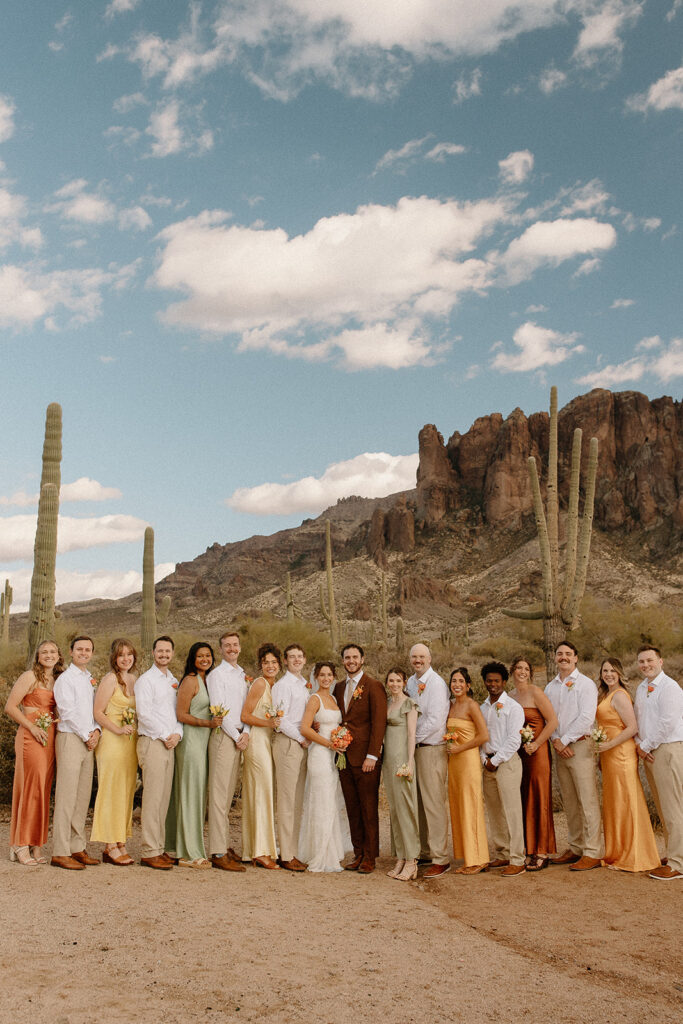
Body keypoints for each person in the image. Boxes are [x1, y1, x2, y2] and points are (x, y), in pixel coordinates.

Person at [596, 657, 660, 873]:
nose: (608, 674)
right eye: (605, 670)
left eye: (612, 670)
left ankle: (634, 855)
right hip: (609, 754)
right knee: (616, 802)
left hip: (621, 754)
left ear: (620, 673)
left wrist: (610, 745)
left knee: (627, 800)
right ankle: (618, 851)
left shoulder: (620, 695)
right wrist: (600, 753)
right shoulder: (605, 694)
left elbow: (632, 728)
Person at [545, 640, 603, 871]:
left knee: (587, 799)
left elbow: (586, 718)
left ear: (576, 657)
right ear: (555, 657)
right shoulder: (550, 687)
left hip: (580, 746)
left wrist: (565, 740)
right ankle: (576, 846)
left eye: (568, 654)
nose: (564, 657)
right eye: (559, 654)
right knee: (570, 799)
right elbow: (549, 719)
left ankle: (593, 851)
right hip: (560, 748)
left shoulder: (586, 684)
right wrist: (556, 741)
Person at [5, 640, 64, 865]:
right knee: (30, 787)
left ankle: (36, 843)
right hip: (31, 735)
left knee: (43, 788)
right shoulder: (29, 676)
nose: (49, 655)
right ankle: (19, 844)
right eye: (44, 652)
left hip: (49, 736)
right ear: (38, 656)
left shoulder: (57, 679)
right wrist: (31, 726)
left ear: (59, 655)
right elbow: (10, 707)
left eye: (53, 651)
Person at [165, 642, 222, 869]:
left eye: (208, 655)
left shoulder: (208, 680)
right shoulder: (190, 680)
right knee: (190, 793)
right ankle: (189, 853)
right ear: (193, 658)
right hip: (190, 742)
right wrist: (206, 723)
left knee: (192, 793)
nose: (205, 659)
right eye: (200, 656)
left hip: (203, 742)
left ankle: (173, 847)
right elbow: (181, 714)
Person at [333, 643, 387, 874]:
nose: (351, 661)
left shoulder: (373, 686)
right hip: (344, 757)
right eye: (347, 657)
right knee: (352, 808)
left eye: (355, 657)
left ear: (362, 659)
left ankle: (370, 856)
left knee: (368, 808)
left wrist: (372, 755)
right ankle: (357, 853)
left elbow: (379, 723)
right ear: (343, 661)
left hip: (366, 758)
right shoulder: (339, 687)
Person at [51, 635, 101, 870]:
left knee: (82, 798)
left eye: (88, 650)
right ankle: (60, 851)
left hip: (88, 740)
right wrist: (87, 735)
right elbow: (67, 711)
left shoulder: (89, 678)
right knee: (66, 796)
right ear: (71, 652)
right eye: (79, 649)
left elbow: (94, 711)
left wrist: (97, 731)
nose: (84, 653)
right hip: (72, 738)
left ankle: (76, 847)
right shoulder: (65, 679)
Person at [634, 645, 683, 881]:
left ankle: (678, 863)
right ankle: (673, 853)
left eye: (650, 660)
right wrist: (639, 743)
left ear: (660, 661)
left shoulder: (670, 687)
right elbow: (639, 720)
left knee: (674, 807)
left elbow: (667, 723)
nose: (645, 665)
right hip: (649, 751)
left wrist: (644, 746)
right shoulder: (641, 688)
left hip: (666, 749)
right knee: (664, 807)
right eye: (641, 661)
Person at [298, 662, 352, 872]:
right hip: (320, 755)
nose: (326, 678)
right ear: (316, 677)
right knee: (321, 801)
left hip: (334, 756)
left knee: (331, 801)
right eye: (322, 675)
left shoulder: (334, 699)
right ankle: (320, 852)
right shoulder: (315, 698)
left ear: (334, 677)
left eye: (329, 675)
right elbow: (305, 727)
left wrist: (341, 740)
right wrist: (329, 743)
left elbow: (337, 725)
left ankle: (332, 849)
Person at [135, 635, 182, 870]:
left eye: (167, 651)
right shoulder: (146, 680)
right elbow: (143, 714)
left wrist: (177, 734)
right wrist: (166, 735)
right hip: (153, 742)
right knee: (152, 798)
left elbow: (178, 712)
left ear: (172, 653)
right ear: (153, 653)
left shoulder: (173, 680)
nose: (164, 654)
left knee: (164, 798)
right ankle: (148, 850)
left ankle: (159, 847)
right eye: (160, 651)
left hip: (170, 742)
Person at [90, 638, 139, 865]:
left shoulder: (134, 679)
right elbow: (98, 712)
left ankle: (121, 841)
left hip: (130, 743)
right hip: (112, 740)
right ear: (114, 658)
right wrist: (118, 729)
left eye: (129, 654)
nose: (126, 658)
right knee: (110, 790)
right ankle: (109, 844)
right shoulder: (110, 680)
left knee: (126, 791)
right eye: (121, 655)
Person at [509, 656, 558, 870]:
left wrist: (537, 744)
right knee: (523, 797)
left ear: (530, 672)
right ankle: (528, 848)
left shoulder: (536, 692)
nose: (522, 671)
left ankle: (542, 851)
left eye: (526, 668)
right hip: (519, 754)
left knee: (538, 796)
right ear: (512, 671)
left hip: (537, 753)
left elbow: (553, 721)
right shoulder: (509, 696)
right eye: (518, 668)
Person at [206, 631, 249, 871]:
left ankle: (223, 845)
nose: (232, 648)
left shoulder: (242, 674)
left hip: (239, 737)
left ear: (240, 647)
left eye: (235, 644)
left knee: (229, 793)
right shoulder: (217, 675)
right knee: (219, 796)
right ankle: (218, 851)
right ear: (221, 649)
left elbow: (246, 707)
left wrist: (246, 734)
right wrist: (237, 736)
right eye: (227, 645)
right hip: (224, 737)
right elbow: (218, 711)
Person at [406, 643, 450, 877]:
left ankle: (441, 858)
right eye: (414, 657)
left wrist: (411, 740)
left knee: (433, 803)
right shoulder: (410, 683)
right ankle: (425, 851)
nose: (418, 660)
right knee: (419, 802)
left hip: (432, 748)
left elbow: (435, 719)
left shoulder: (437, 683)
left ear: (430, 659)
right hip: (417, 749)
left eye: (422, 656)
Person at [480, 661, 526, 876]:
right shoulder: (482, 707)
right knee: (495, 810)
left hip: (506, 763)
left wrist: (495, 760)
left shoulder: (513, 707)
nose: (492, 685)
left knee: (512, 810)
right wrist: (484, 759)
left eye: (496, 681)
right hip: (487, 763)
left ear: (504, 682)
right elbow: (481, 738)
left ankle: (518, 858)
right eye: (489, 681)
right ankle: (502, 853)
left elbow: (514, 740)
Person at [445, 667, 489, 875]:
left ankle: (478, 859)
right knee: (458, 805)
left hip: (468, 760)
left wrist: (460, 748)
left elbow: (483, 736)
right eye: (454, 681)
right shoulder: (451, 706)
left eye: (461, 681)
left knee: (471, 805)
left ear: (468, 685)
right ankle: (467, 856)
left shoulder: (472, 705)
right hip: (454, 763)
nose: (457, 685)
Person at [240, 643, 280, 868]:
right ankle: (261, 851)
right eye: (266, 662)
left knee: (260, 793)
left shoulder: (275, 686)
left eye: (274, 662)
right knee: (261, 793)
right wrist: (268, 723)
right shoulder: (259, 684)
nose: (270, 666)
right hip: (256, 742)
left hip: (266, 741)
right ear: (260, 665)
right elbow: (245, 715)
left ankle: (252, 850)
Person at [271, 643, 310, 871]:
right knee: (286, 800)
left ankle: (292, 850)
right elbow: (281, 719)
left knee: (296, 800)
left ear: (304, 660)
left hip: (301, 744)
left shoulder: (303, 685)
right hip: (289, 743)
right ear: (285, 661)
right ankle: (285, 854)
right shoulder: (283, 685)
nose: (296, 660)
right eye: (292, 657)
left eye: (299, 656)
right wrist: (301, 738)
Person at [382, 667, 420, 881]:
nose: (394, 684)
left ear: (404, 682)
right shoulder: (388, 704)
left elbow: (411, 734)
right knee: (395, 810)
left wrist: (410, 761)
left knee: (406, 809)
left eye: (398, 680)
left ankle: (412, 859)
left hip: (402, 761)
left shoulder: (409, 704)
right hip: (389, 761)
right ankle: (400, 856)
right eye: (391, 680)